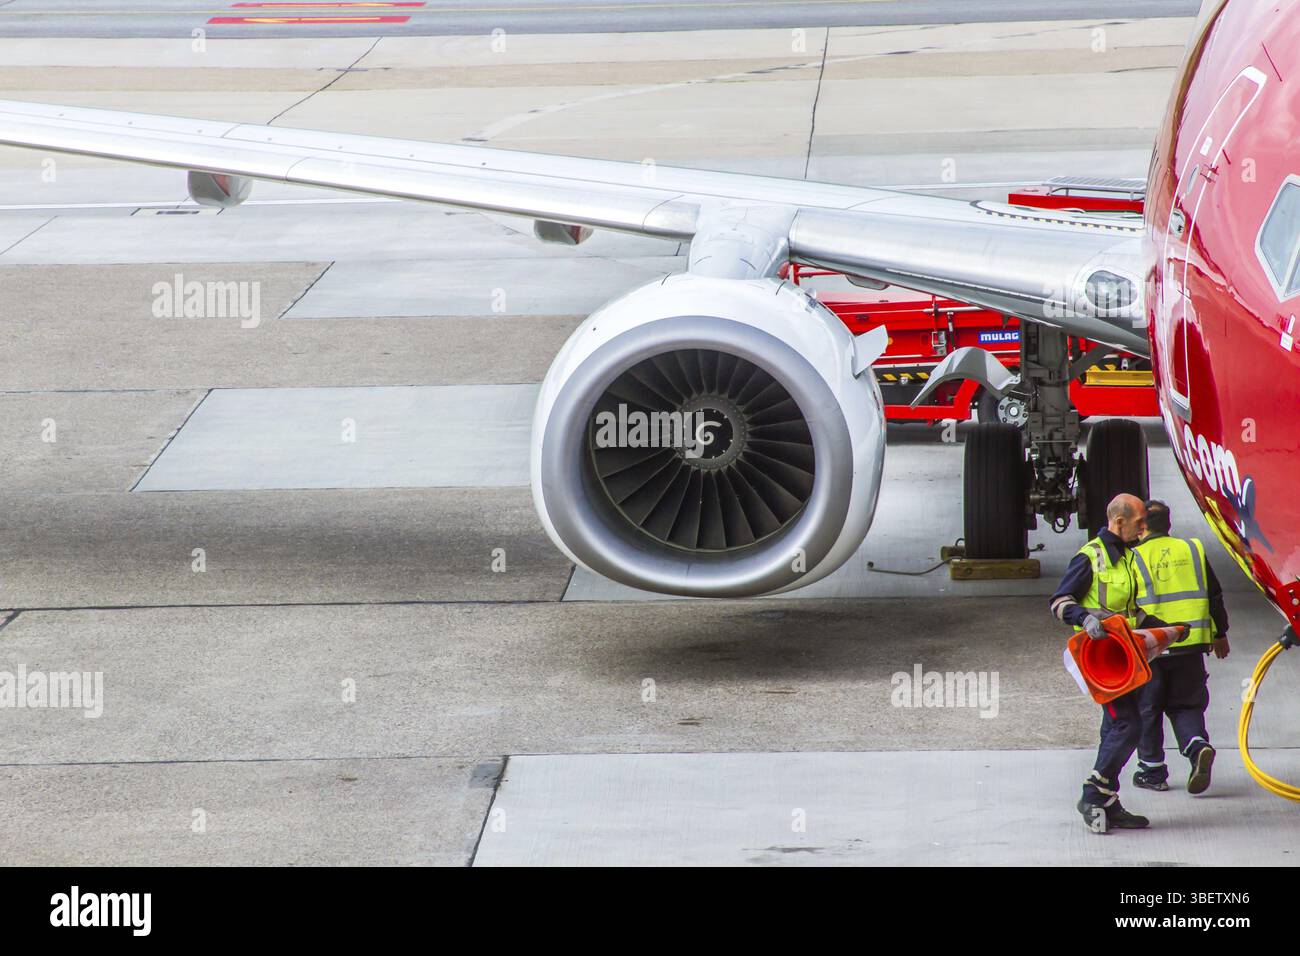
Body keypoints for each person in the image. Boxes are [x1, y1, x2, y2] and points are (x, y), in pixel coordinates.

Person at [1049, 493, 1175, 834]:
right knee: (1128, 726)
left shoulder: (1127, 558)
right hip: (1097, 660)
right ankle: (1093, 794)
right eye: (1139, 523)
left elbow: (1129, 611)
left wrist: (1162, 628)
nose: (1144, 528)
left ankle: (1108, 801)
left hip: (1124, 658)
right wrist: (1083, 618)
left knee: (1114, 728)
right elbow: (1060, 601)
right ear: (1118, 522)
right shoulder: (1091, 557)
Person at [1129, 499, 1230, 795]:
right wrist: (1220, 633)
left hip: (1151, 648)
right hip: (1191, 646)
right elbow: (1214, 594)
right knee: (1186, 705)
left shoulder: (1133, 556)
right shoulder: (1192, 549)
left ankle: (1152, 771)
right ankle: (1196, 745)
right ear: (1169, 525)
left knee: (1148, 708)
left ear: (1142, 526)